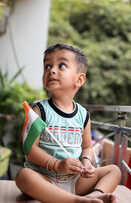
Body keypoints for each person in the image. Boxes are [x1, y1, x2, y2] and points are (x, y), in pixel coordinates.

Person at [16, 43, 121, 203]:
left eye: (62, 65)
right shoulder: (39, 110)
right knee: (23, 176)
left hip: (75, 181)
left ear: (79, 79)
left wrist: (86, 163)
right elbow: (29, 149)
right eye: (47, 66)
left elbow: (87, 147)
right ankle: (75, 201)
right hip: (45, 180)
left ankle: (93, 197)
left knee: (114, 170)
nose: (51, 70)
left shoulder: (83, 115)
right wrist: (57, 165)